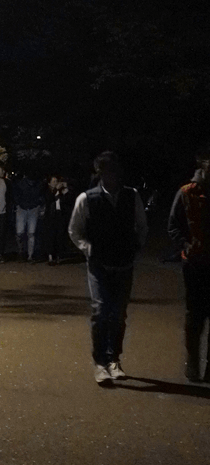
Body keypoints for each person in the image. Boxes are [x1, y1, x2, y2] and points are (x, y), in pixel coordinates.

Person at [68, 150, 148, 385]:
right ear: (100, 173)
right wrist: (88, 249)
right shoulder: (87, 198)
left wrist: (134, 248)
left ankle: (114, 359)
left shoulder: (131, 196)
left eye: (114, 171)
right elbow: (75, 229)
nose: (111, 176)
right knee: (101, 311)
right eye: (106, 172)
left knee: (119, 314)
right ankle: (100, 362)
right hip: (99, 264)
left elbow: (142, 226)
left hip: (124, 263)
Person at [167, 151, 210, 382]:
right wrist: (185, 244)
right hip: (195, 262)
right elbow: (174, 225)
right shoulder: (187, 193)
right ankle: (192, 362)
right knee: (195, 314)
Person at [11, 169, 47, 261]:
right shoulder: (23, 184)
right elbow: (16, 195)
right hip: (24, 208)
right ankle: (22, 251)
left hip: (31, 208)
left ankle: (28, 255)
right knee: (21, 232)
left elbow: (41, 196)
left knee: (31, 233)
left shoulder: (35, 184)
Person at [42, 174, 73, 263]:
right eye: (53, 182)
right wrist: (55, 191)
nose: (56, 183)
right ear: (49, 183)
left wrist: (66, 190)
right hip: (51, 215)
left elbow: (69, 200)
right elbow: (49, 199)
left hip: (60, 215)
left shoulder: (62, 191)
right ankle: (50, 256)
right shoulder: (48, 191)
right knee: (51, 236)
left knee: (60, 235)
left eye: (57, 181)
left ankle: (59, 255)